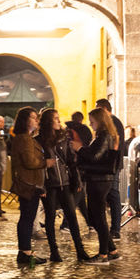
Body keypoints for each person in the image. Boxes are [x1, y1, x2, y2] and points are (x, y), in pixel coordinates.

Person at [37, 109, 92, 262]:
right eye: (55, 119)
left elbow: (71, 161)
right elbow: (38, 164)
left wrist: (77, 180)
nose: (59, 121)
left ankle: (80, 250)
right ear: (48, 121)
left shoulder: (63, 138)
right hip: (49, 184)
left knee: (72, 217)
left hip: (65, 183)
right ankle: (54, 251)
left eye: (58, 118)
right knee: (50, 218)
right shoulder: (38, 140)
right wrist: (41, 186)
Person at [73, 107, 121, 263]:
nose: (90, 124)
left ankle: (103, 254)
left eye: (92, 121)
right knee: (96, 216)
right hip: (99, 179)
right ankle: (112, 250)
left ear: (100, 121)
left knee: (98, 217)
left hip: (99, 180)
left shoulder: (104, 136)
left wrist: (79, 148)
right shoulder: (103, 135)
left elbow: (94, 157)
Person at [9, 108, 48, 266]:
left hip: (33, 183)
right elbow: (30, 162)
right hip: (28, 184)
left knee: (28, 217)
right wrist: (46, 162)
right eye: (33, 118)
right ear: (25, 120)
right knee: (26, 218)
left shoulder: (29, 138)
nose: (36, 120)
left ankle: (26, 251)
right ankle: (25, 252)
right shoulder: (23, 138)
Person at [96, 99, 126, 239]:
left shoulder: (113, 122)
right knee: (110, 194)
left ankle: (115, 229)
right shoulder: (111, 122)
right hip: (110, 164)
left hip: (112, 164)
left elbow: (114, 144)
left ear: (104, 108)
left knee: (113, 194)